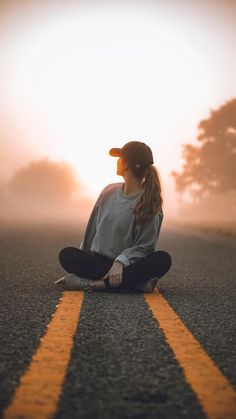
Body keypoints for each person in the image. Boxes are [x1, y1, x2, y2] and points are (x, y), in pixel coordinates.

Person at [55, 140, 172, 293]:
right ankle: (136, 284)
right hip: (99, 262)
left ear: (126, 165)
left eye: (120, 158)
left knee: (162, 259)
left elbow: (145, 247)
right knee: (67, 255)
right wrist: (82, 260)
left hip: (129, 265)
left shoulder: (150, 202)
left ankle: (93, 284)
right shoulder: (108, 191)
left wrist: (120, 262)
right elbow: (91, 230)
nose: (117, 161)